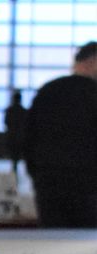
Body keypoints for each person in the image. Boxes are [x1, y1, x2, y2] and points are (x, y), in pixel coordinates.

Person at [24, 40, 97, 228]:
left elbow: (29, 136)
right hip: (89, 184)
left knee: (53, 238)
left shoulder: (48, 91)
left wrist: (37, 173)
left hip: (49, 180)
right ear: (93, 62)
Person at [3, 89, 27, 176]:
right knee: (16, 154)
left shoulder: (9, 110)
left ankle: (14, 167)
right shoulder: (23, 111)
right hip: (19, 136)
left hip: (11, 135)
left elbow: (6, 122)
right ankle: (14, 167)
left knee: (13, 154)